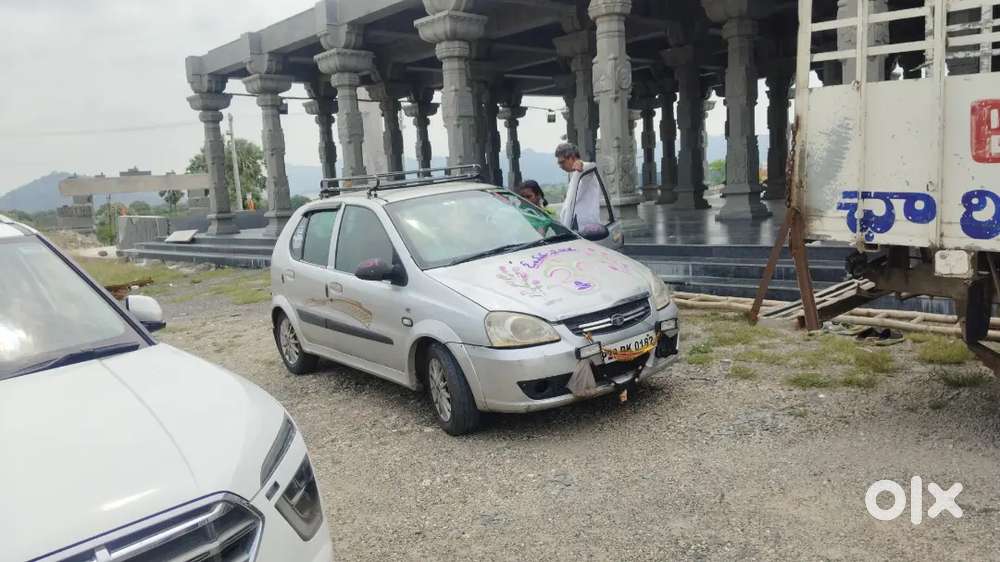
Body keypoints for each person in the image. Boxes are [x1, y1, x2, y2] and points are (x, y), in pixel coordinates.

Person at [554, 142, 601, 230]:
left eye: (562, 162)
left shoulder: (586, 170)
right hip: (573, 228)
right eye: (559, 163)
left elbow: (587, 167)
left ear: (572, 157)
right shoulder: (573, 174)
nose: (560, 166)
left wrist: (580, 163)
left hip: (587, 229)